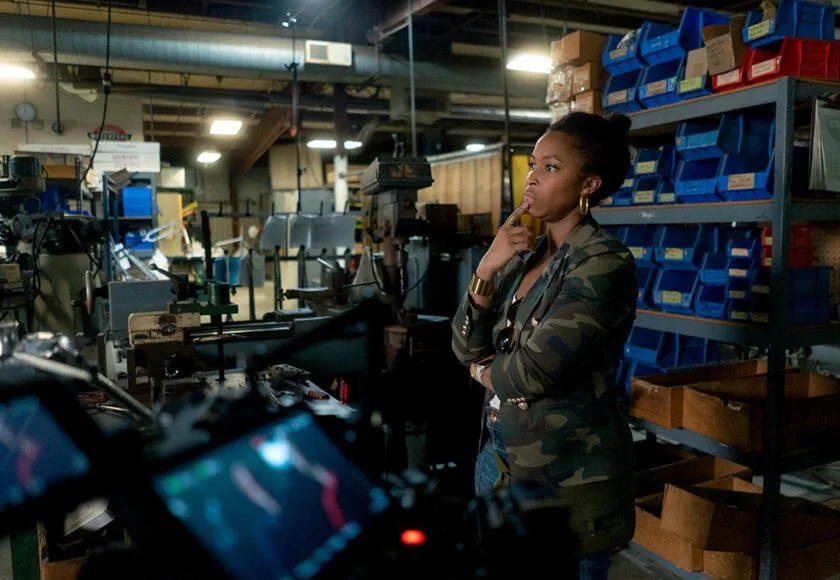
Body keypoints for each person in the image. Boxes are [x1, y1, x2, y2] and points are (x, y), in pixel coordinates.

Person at [451, 112, 637, 579]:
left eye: (551, 168)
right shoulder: (522, 254)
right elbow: (462, 343)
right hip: (499, 464)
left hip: (568, 483)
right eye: (533, 165)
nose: (533, 178)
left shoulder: (602, 262)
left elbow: (533, 372)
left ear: (588, 184)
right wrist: (487, 270)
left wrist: (482, 372)